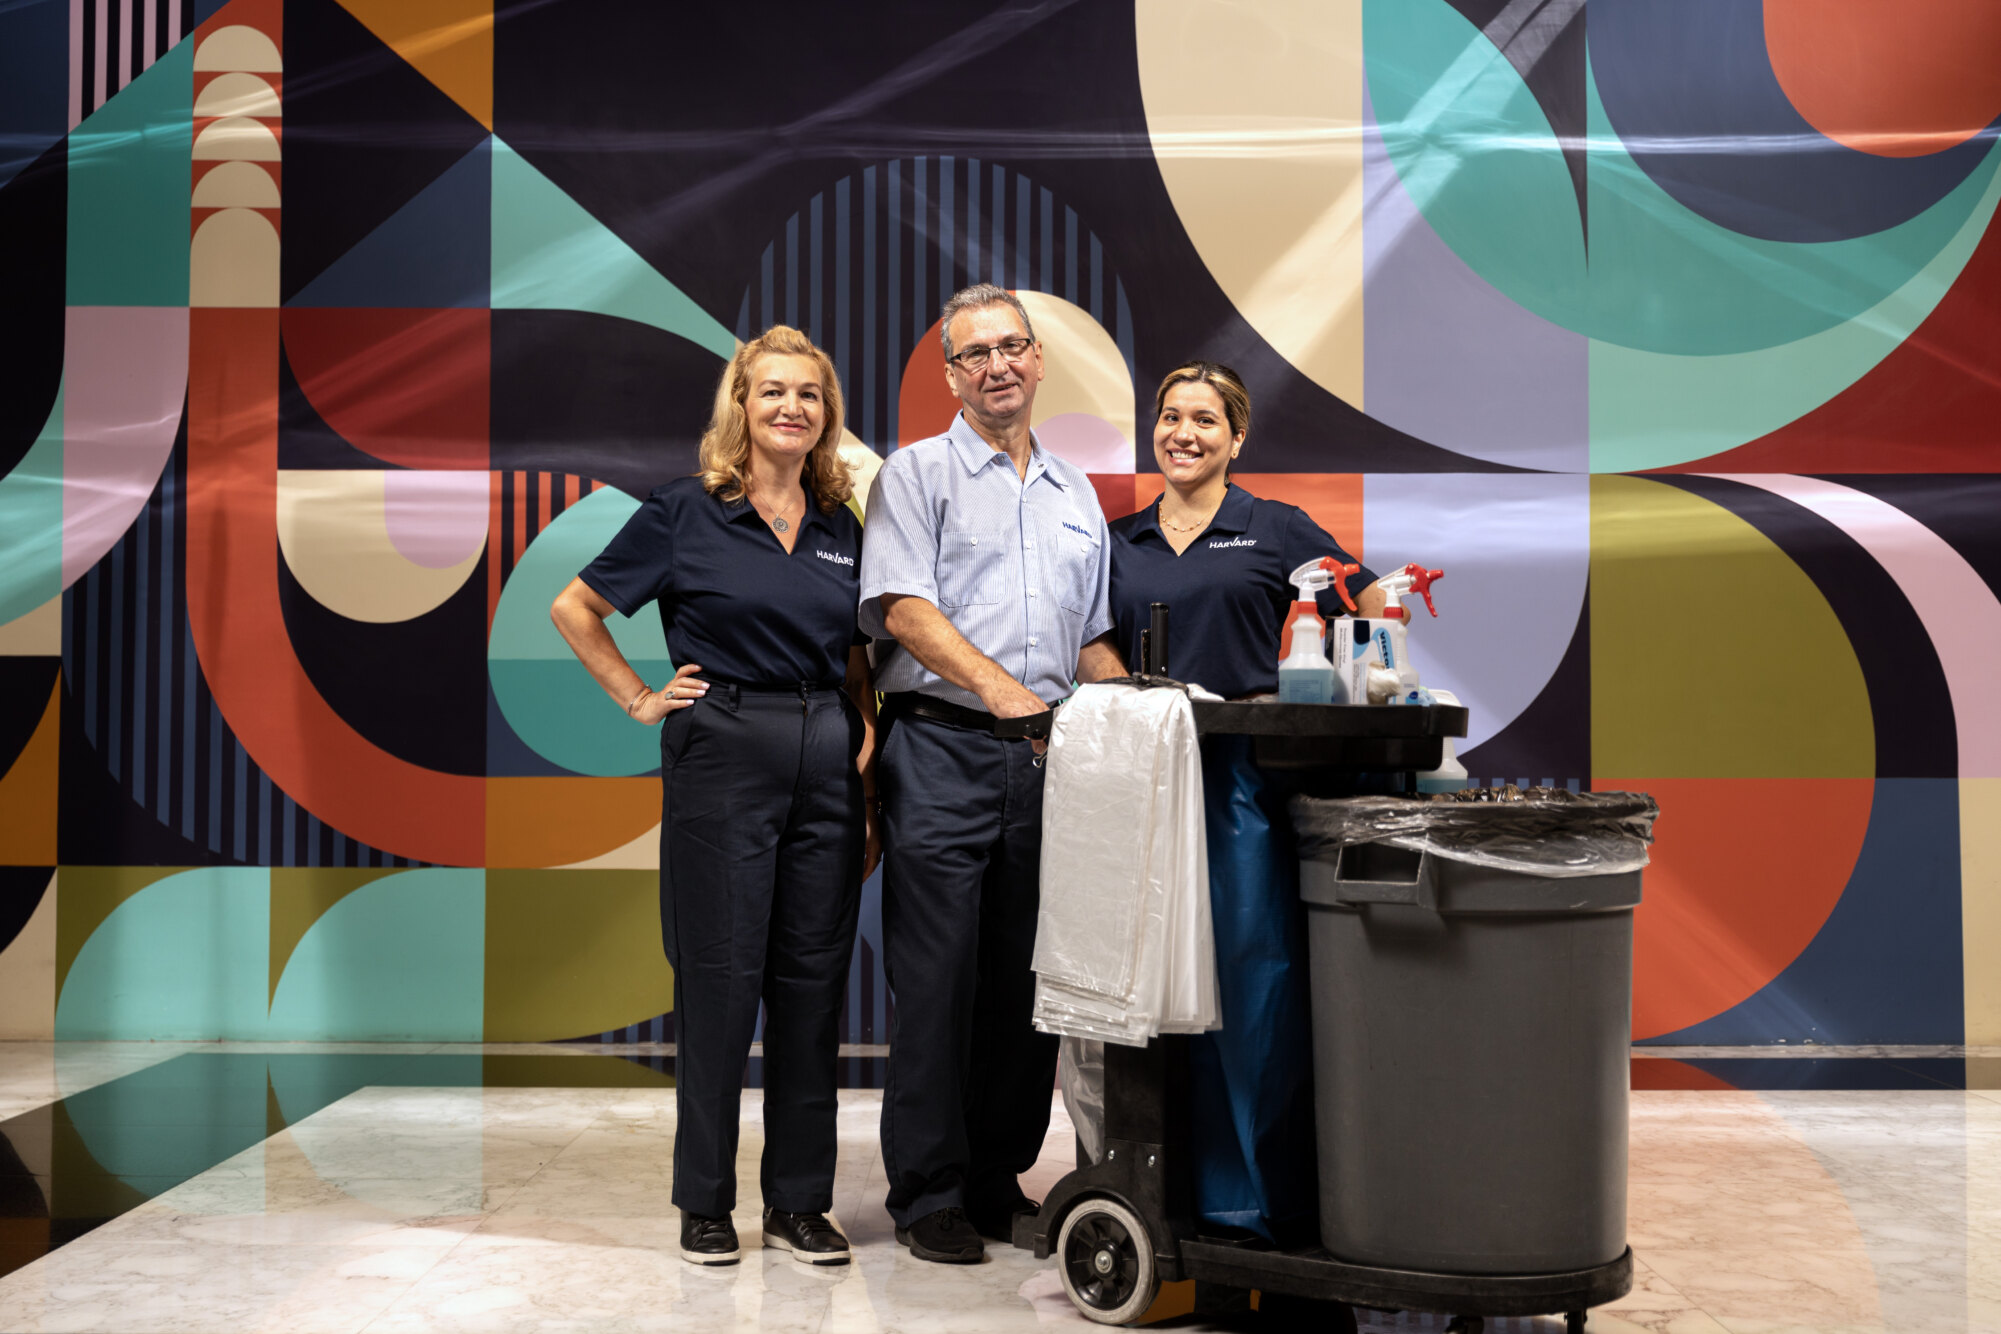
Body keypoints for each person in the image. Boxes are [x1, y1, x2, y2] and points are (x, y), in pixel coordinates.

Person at [549, 325, 878, 1269]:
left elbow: (857, 655)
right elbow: (576, 606)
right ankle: (704, 1202)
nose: (790, 408)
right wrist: (639, 698)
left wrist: (860, 744)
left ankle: (799, 1203)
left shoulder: (840, 526)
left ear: (827, 416)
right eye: (771, 391)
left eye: (808, 396)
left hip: (825, 758)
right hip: (724, 749)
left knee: (813, 991)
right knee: (722, 987)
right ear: (740, 406)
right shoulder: (686, 511)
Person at [858, 283, 1127, 1264]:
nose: (996, 366)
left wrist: (1149, 710)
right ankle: (927, 1190)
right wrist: (1007, 690)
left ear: (1038, 358)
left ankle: (994, 1176)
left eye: (1010, 347)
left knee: (1027, 981)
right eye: (972, 355)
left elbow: (1090, 638)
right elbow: (902, 609)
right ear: (949, 375)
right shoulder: (915, 475)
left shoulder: (1077, 495)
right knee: (937, 980)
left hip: (1050, 760)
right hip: (939, 746)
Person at [1106, 360, 1380, 1243]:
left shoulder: (1271, 527)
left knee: (1245, 986)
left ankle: (1254, 1201)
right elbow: (1088, 646)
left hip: (1239, 791)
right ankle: (1157, 1194)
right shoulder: (1120, 539)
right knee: (1142, 994)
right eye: (1170, 417)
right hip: (1145, 782)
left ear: (1236, 438)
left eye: (1204, 420)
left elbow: (1368, 605)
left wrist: (1307, 694)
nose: (1183, 433)